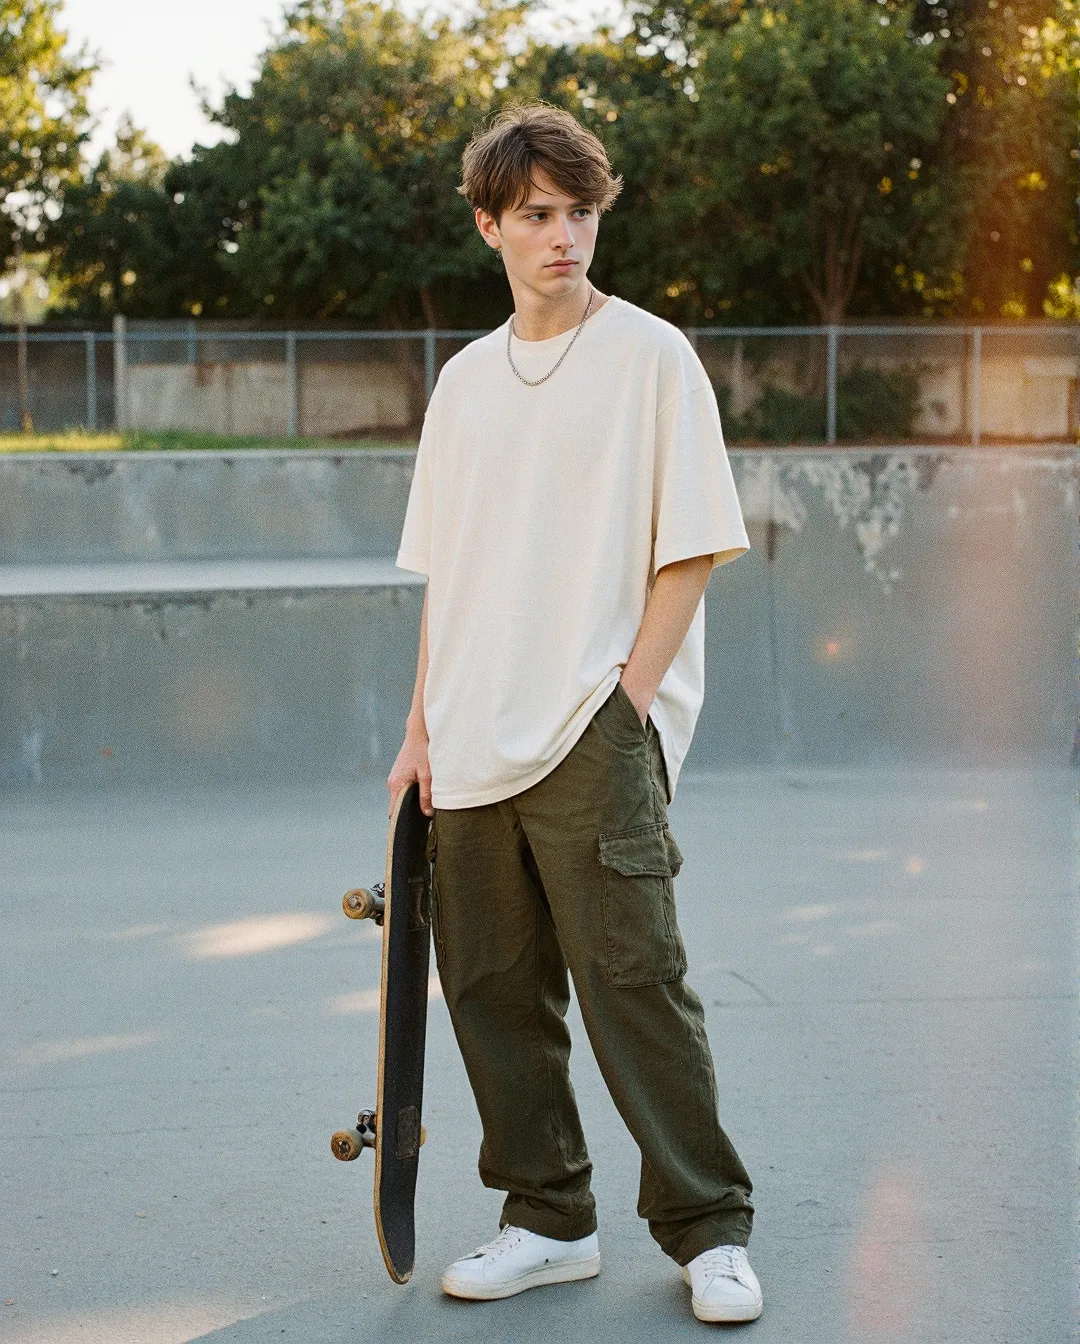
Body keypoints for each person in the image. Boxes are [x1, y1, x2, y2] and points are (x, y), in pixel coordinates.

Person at [388, 103, 760, 1325]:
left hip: (593, 728)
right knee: (492, 989)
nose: (564, 235)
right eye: (538, 215)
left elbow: (692, 547)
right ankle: (547, 1219)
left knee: (636, 981)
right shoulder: (463, 383)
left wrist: (629, 707)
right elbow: (451, 570)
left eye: (581, 212)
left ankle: (708, 1230)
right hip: (471, 727)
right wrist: (418, 731)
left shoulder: (652, 356)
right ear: (490, 224)